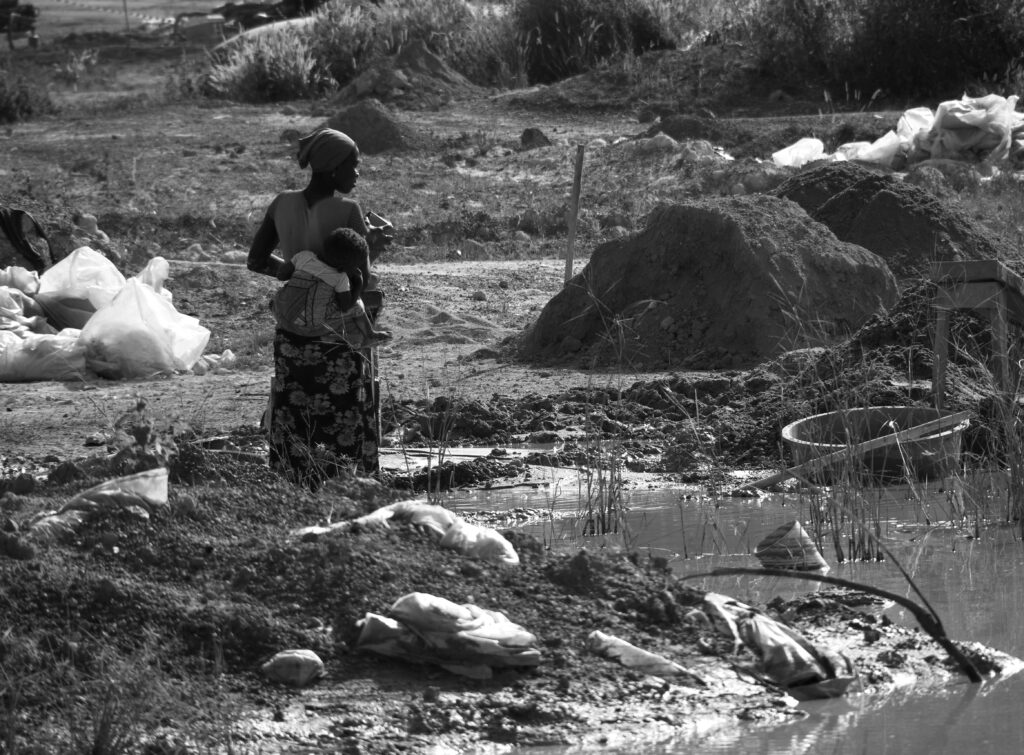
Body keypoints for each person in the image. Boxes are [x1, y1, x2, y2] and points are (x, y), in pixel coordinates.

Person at [248, 128, 390, 484]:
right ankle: (346, 483)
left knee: (293, 408)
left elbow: (256, 260)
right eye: (353, 166)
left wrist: (292, 271)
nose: (357, 174)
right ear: (332, 169)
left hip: (292, 331)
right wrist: (374, 245)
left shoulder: (283, 203)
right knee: (347, 410)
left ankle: (293, 482)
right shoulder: (348, 209)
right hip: (337, 334)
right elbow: (361, 275)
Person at [273, 227, 392, 349]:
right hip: (311, 329)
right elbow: (346, 307)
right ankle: (370, 333)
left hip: (281, 318)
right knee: (357, 304)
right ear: (347, 266)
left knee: (279, 295)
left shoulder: (304, 256)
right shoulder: (340, 278)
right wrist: (358, 284)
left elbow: (281, 275)